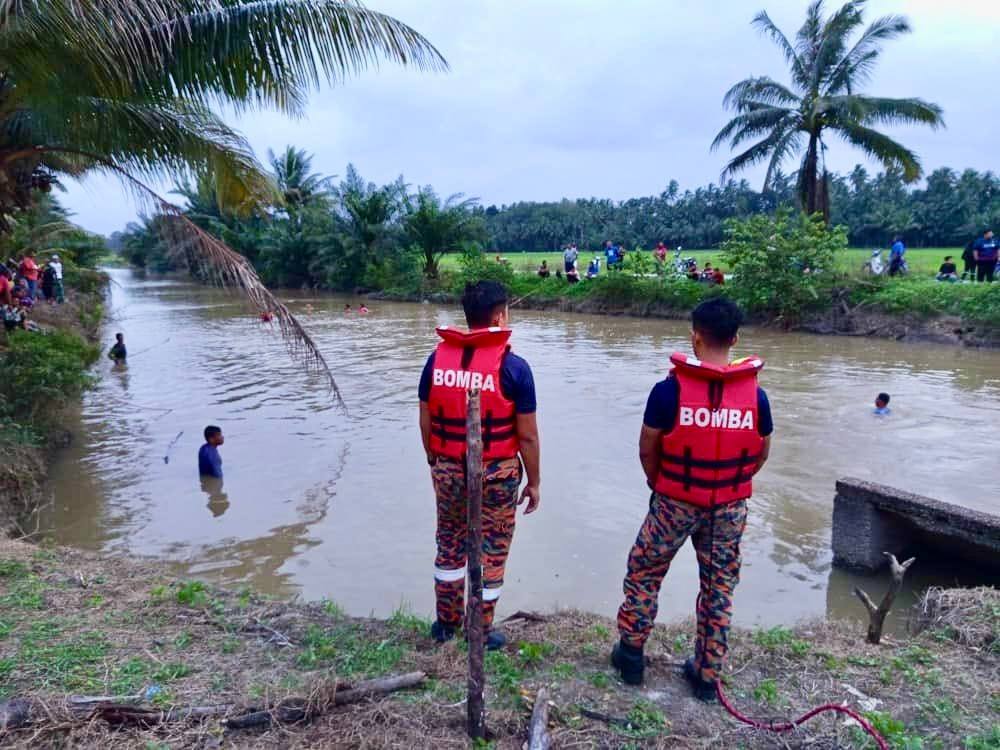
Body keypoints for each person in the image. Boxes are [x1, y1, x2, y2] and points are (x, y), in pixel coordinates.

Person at [612, 297, 773, 698]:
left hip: (673, 501)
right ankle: (706, 674)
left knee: (645, 572)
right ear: (735, 338)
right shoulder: (757, 398)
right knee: (719, 586)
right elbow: (760, 453)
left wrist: (662, 485)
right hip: (729, 507)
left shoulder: (667, 392)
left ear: (695, 336)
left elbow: (647, 448)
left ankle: (631, 656)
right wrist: (728, 484)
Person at [418, 281, 541, 650]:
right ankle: (481, 630)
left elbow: (425, 418)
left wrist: (434, 460)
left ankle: (446, 624)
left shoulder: (436, 360)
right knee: (492, 548)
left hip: (448, 468)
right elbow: (529, 437)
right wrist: (534, 482)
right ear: (500, 316)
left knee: (450, 542)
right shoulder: (515, 368)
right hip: (498, 473)